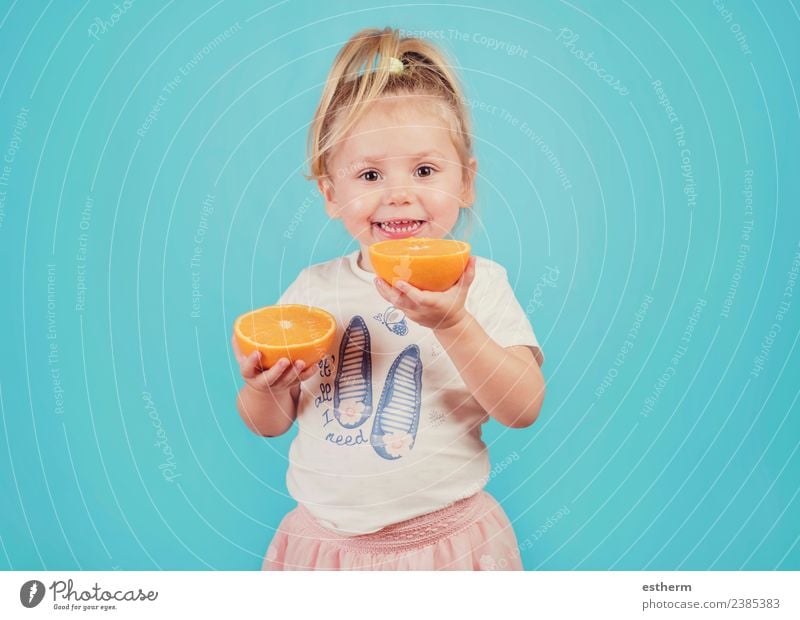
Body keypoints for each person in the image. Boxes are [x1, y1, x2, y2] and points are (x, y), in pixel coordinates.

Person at [231, 26, 546, 570]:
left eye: (425, 170)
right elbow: (269, 423)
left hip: (445, 549)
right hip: (325, 552)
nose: (398, 192)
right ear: (331, 193)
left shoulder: (478, 282)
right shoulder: (314, 290)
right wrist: (262, 389)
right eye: (370, 174)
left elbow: (523, 408)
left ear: (466, 182)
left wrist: (454, 324)